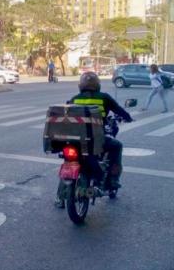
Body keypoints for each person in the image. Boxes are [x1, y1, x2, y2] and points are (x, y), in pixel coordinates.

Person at [55, 72, 133, 208]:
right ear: (97, 85)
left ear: (80, 85)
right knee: (117, 146)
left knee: (69, 160)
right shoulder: (104, 98)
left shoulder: (74, 99)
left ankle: (59, 197)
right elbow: (119, 111)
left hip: (76, 139)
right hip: (96, 140)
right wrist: (128, 117)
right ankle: (113, 180)